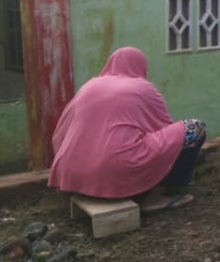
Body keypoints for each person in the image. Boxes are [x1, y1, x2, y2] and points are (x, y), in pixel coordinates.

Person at [49, 47, 205, 212]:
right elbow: (165, 127)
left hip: (72, 175)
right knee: (194, 129)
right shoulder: (143, 87)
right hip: (115, 172)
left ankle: (84, 187)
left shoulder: (89, 86)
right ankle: (158, 193)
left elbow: (62, 131)